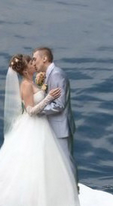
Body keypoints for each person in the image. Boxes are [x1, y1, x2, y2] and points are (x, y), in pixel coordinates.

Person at [0, 54, 81, 206]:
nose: (34, 64)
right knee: (32, 165)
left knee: (43, 165)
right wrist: (49, 97)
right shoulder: (26, 85)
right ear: (25, 68)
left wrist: (43, 88)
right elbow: (30, 111)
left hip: (41, 126)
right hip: (33, 125)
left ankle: (44, 201)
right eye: (31, 62)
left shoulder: (32, 81)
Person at [32, 47, 78, 185]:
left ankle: (73, 191)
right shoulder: (49, 74)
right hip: (53, 126)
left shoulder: (56, 74)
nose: (34, 62)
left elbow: (59, 105)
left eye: (35, 59)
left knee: (66, 161)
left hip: (60, 127)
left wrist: (38, 110)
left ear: (44, 58)